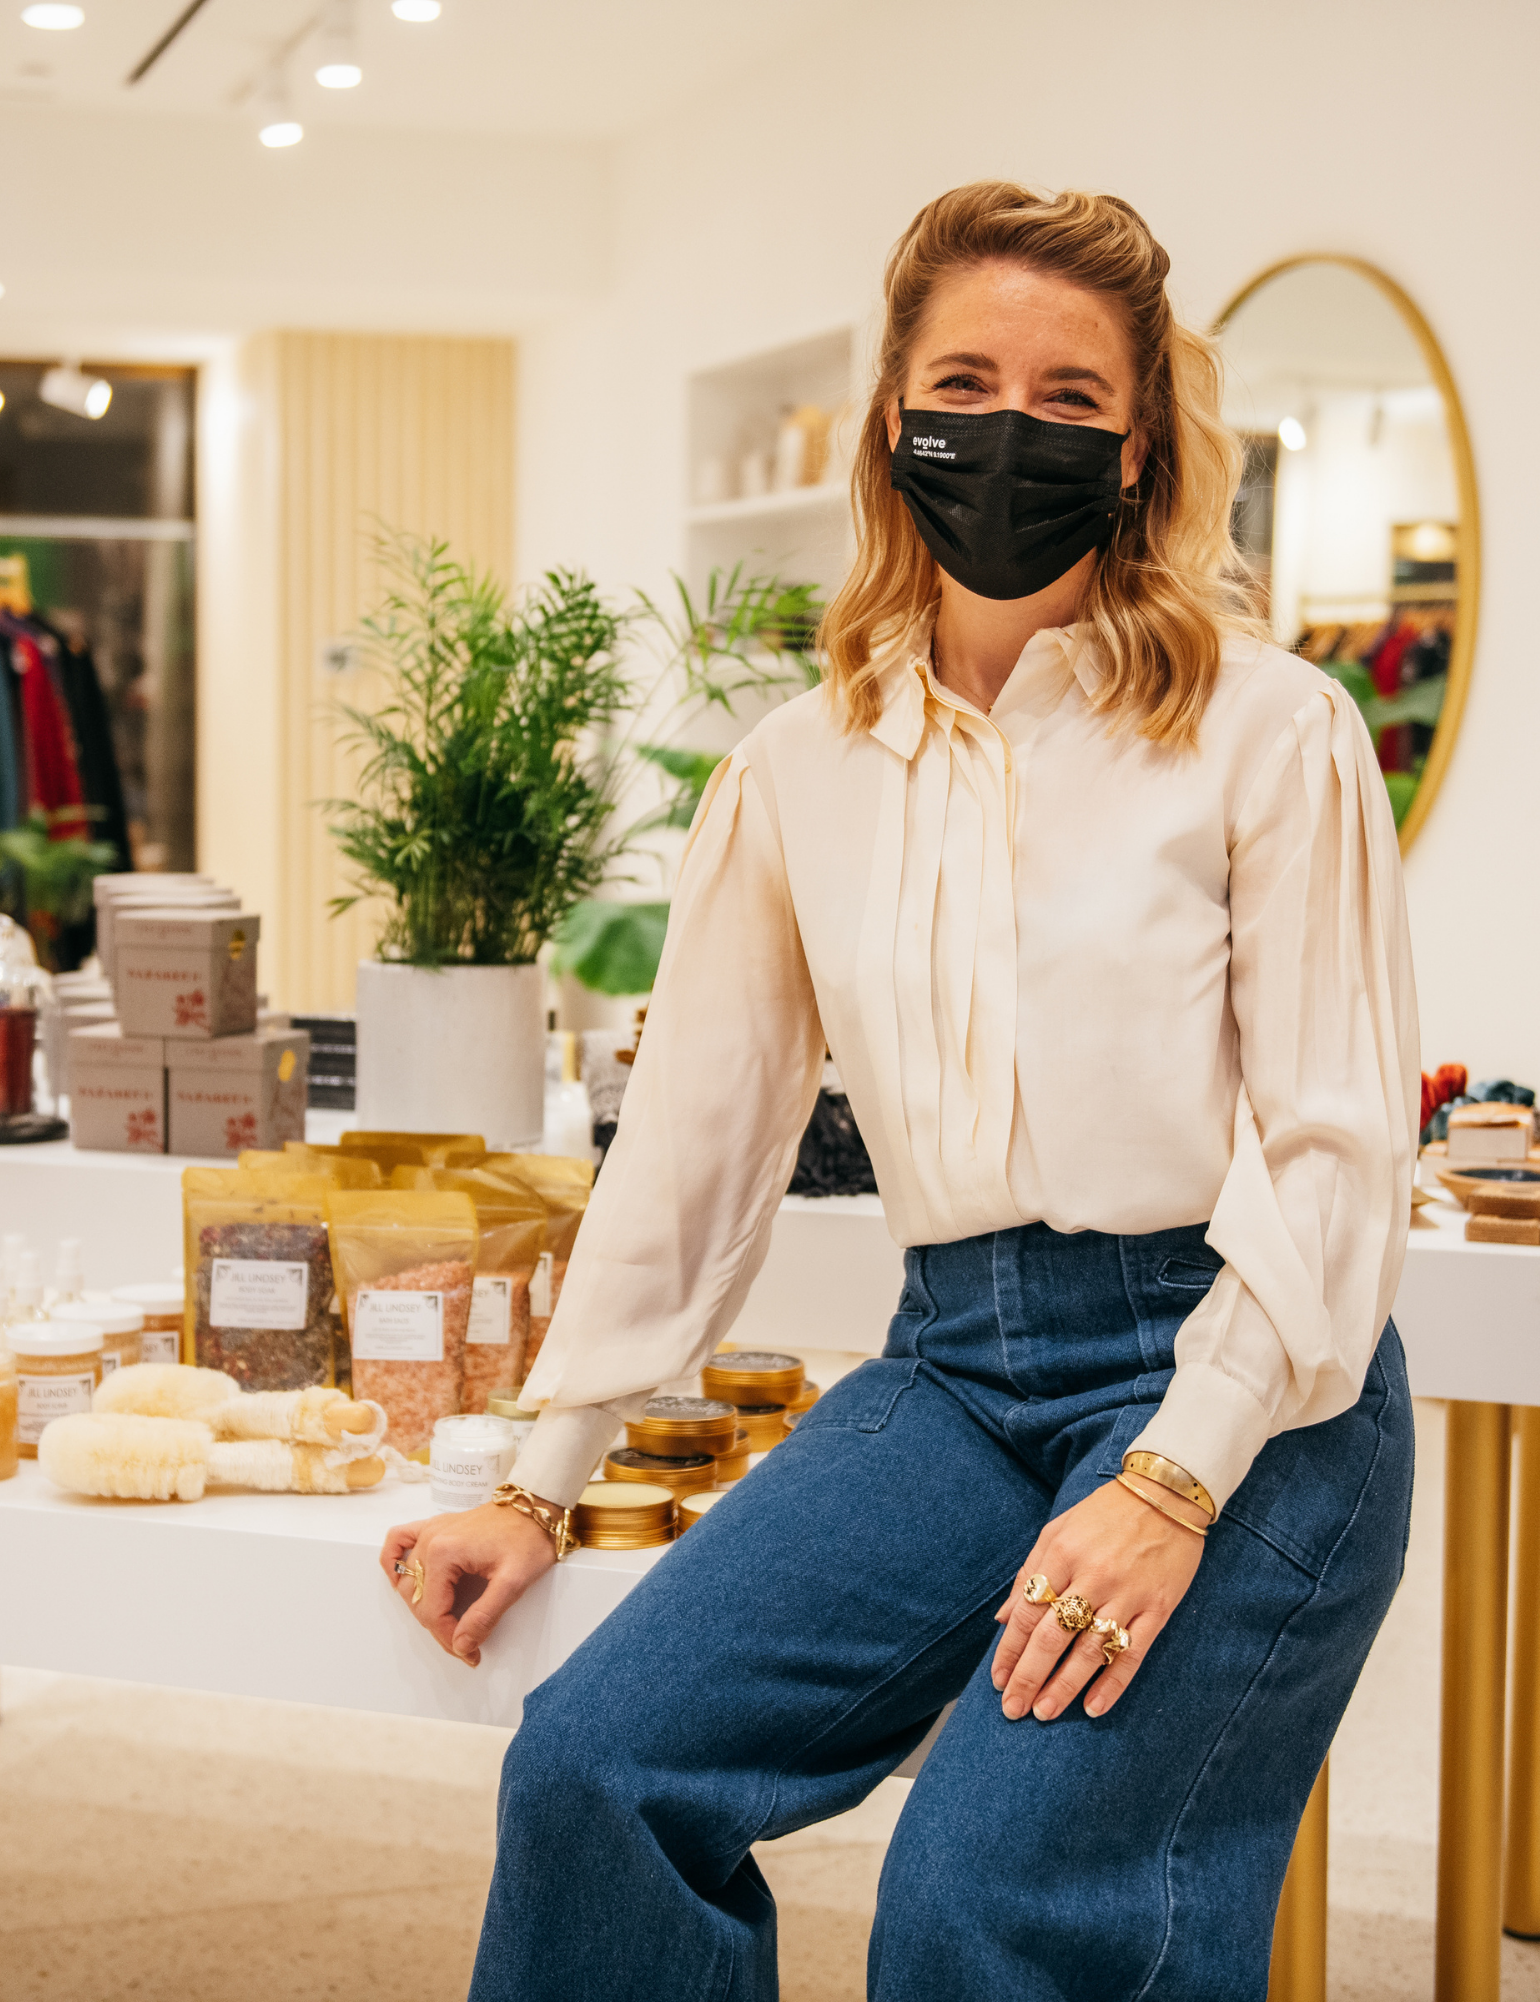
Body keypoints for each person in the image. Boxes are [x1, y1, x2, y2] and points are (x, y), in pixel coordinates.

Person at [380, 181, 1418, 2002]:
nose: (1013, 429)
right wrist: (541, 1483)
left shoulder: (1273, 728)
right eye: (967, 379)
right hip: (955, 1364)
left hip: (1250, 1373)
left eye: (1075, 399)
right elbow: (693, 1142)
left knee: (981, 1898)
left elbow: (1337, 1148)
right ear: (892, 418)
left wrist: (1171, 1478)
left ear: (1141, 445)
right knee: (595, 1769)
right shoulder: (803, 765)